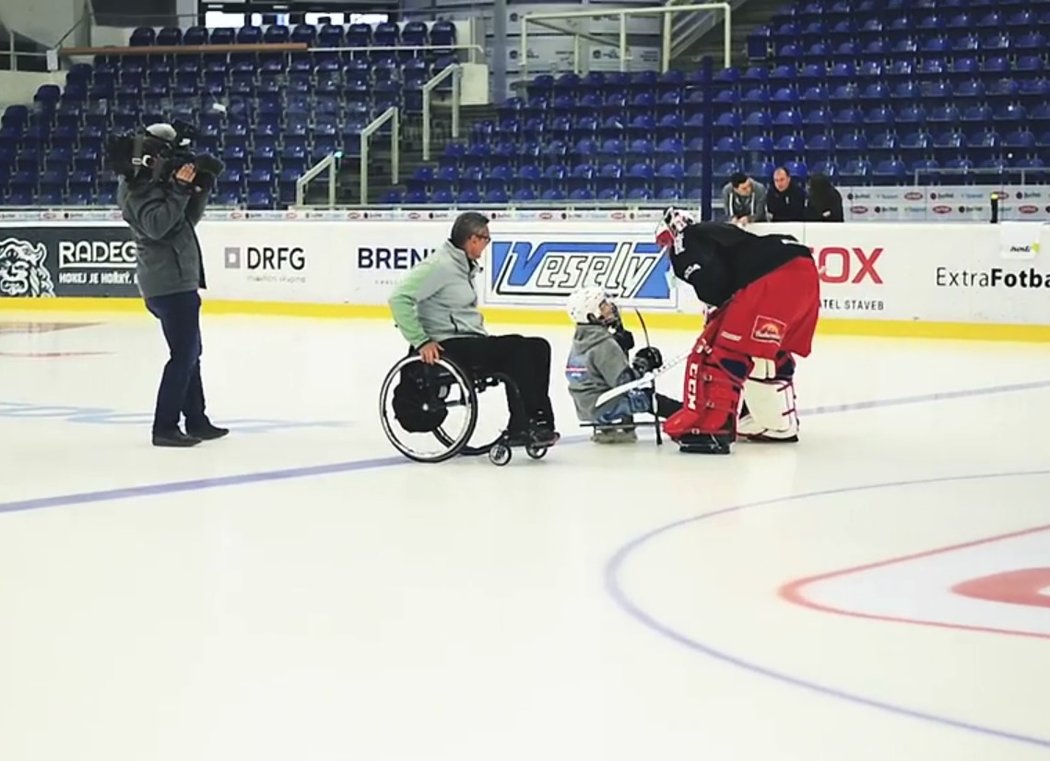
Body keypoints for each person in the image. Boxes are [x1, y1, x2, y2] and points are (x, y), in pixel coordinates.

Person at [655, 208, 820, 454]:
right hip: (803, 274)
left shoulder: (686, 238)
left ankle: (712, 430)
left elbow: (711, 281)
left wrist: (717, 308)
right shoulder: (720, 230)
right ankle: (776, 424)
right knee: (768, 351)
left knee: (723, 354)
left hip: (770, 280)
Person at [388, 211, 559, 448]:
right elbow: (399, 298)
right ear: (473, 239)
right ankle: (524, 424)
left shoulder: (462, 267)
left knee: (538, 346)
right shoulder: (440, 266)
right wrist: (421, 341)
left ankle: (539, 421)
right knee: (517, 348)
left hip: (468, 341)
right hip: (448, 344)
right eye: (486, 239)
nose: (487, 244)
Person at [115, 122, 227, 447]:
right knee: (184, 353)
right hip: (167, 283)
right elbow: (156, 226)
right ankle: (164, 426)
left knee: (191, 351)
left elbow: (184, 221)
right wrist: (178, 190)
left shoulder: (156, 185)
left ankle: (196, 419)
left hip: (177, 279)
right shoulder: (137, 188)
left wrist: (199, 188)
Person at [563, 286, 681, 443]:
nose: (610, 307)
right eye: (603, 305)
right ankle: (692, 418)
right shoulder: (604, 344)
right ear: (592, 315)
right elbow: (624, 383)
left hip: (586, 405)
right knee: (649, 398)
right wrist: (643, 364)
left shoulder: (581, 340)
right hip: (604, 407)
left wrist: (618, 343)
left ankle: (610, 423)